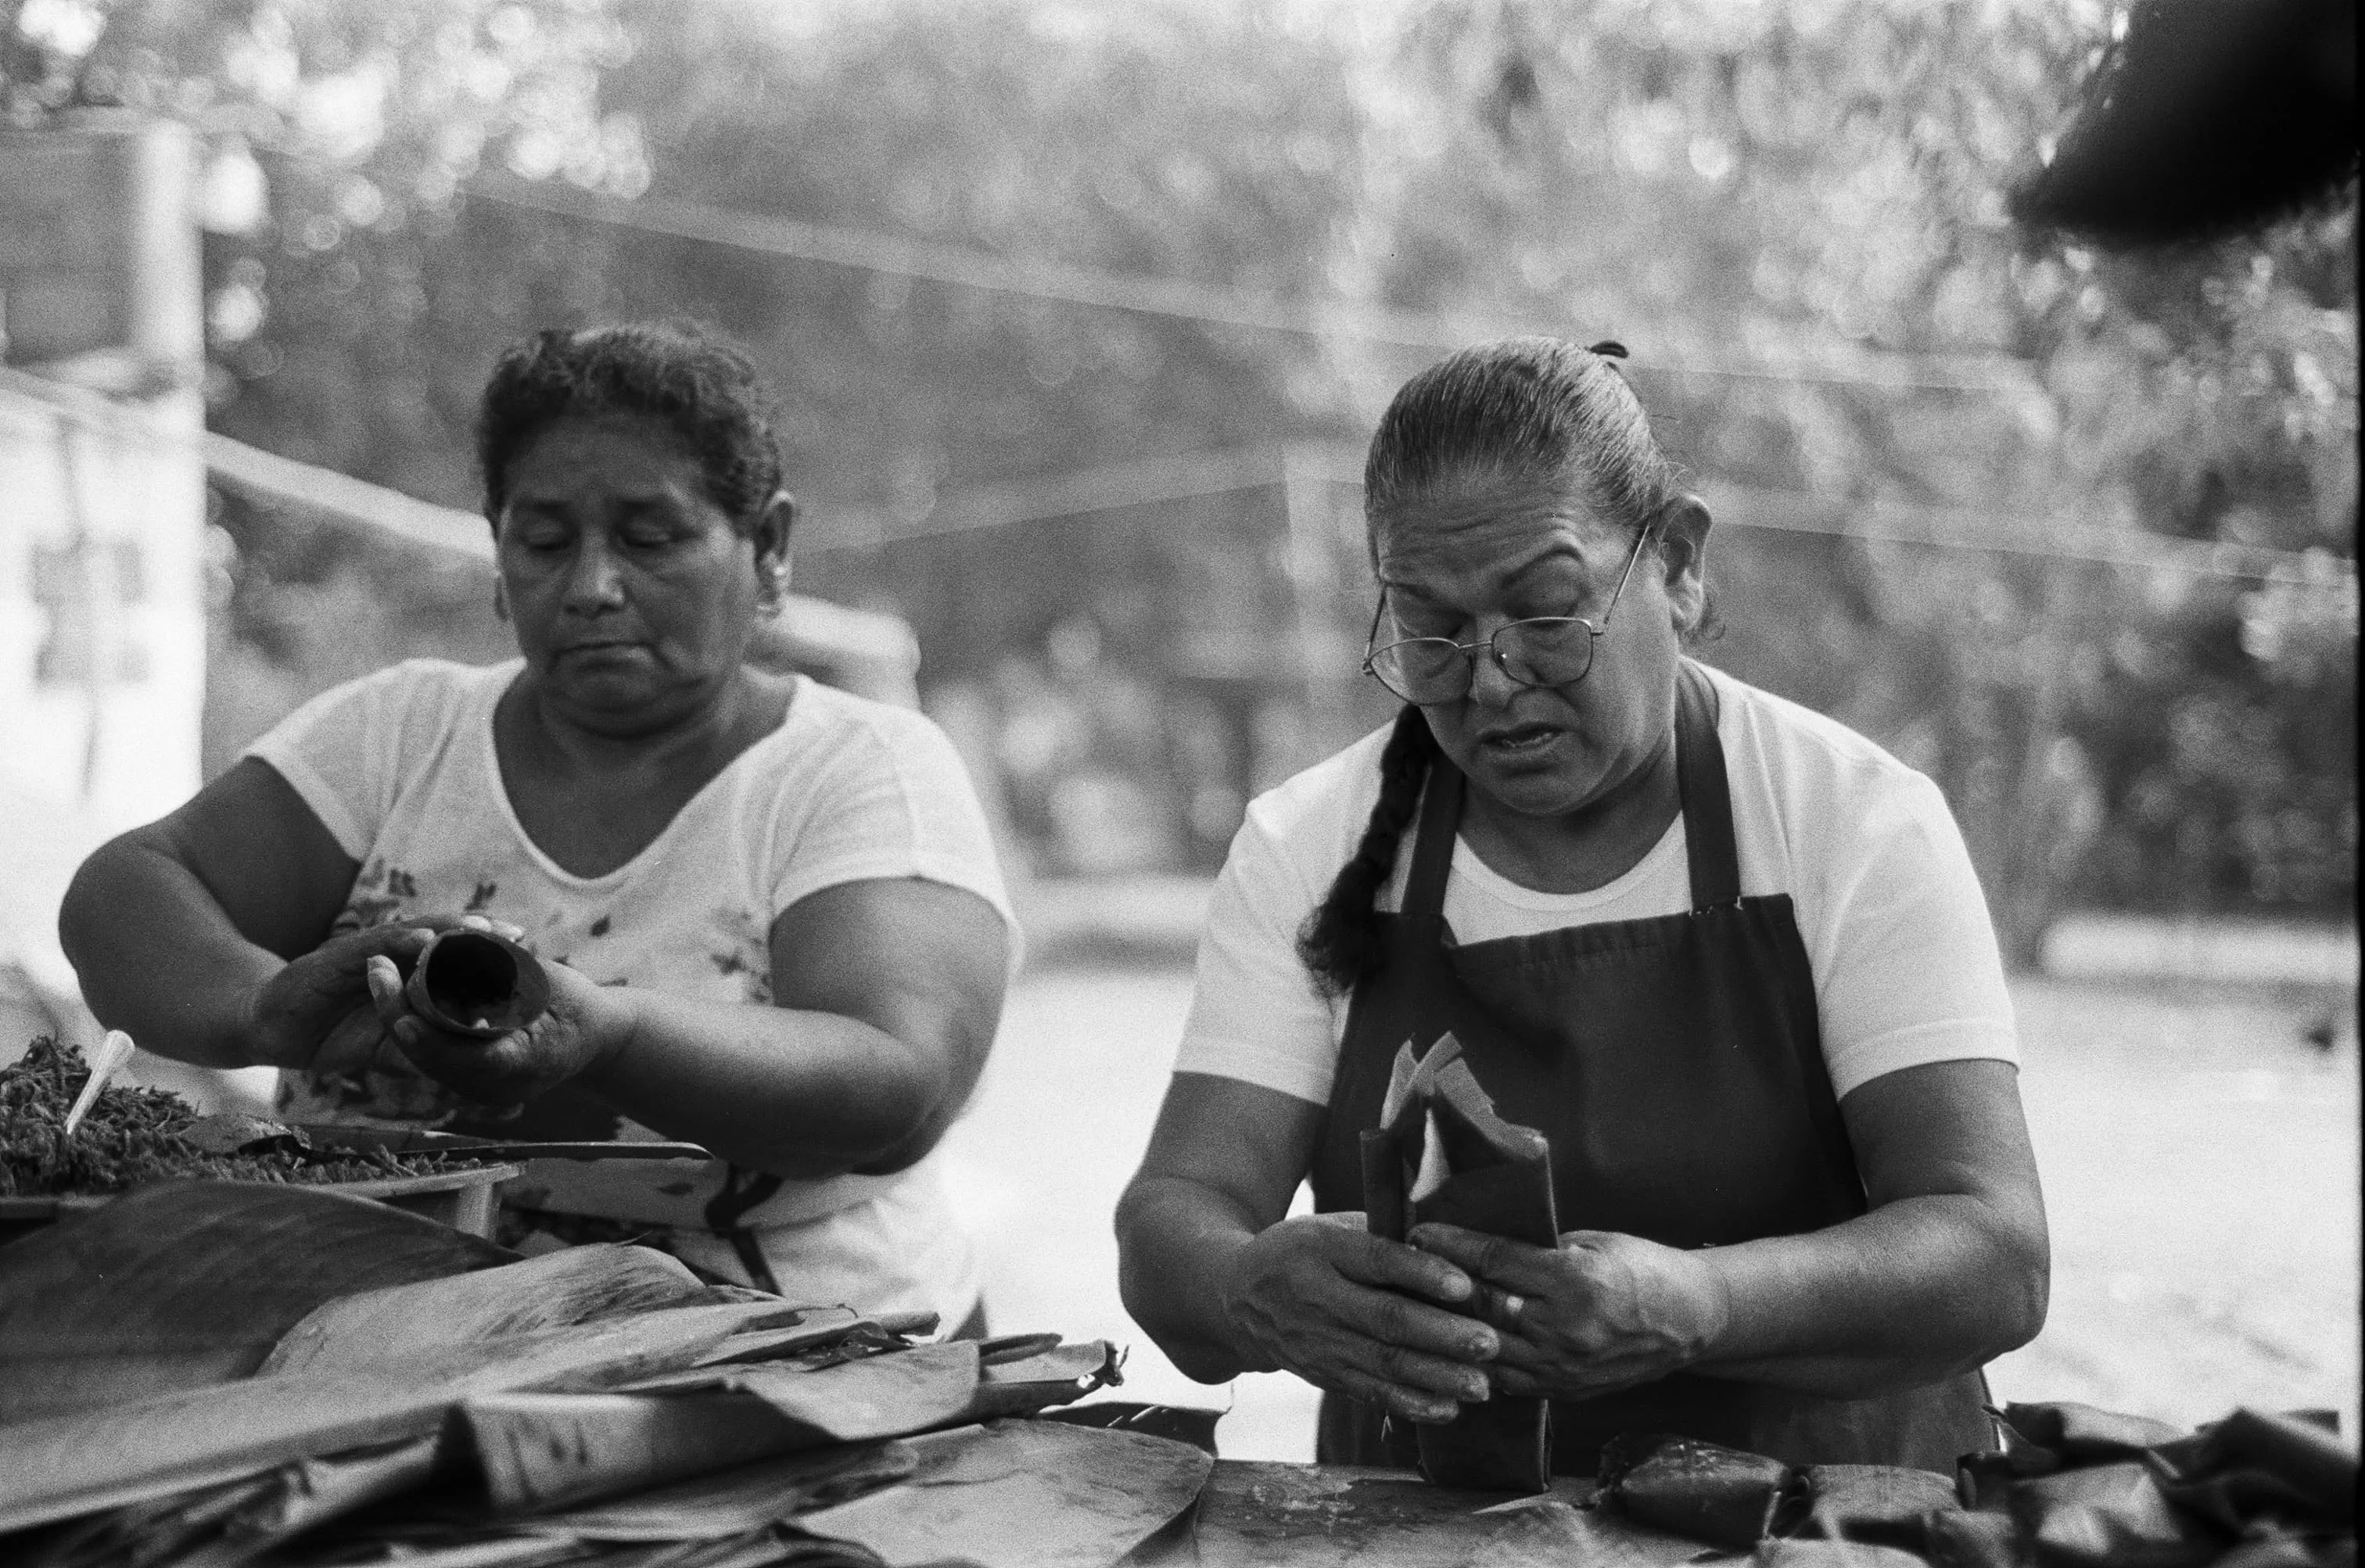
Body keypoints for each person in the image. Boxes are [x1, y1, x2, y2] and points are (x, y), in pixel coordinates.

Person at [1115, 338, 2048, 1474]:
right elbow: (1173, 1221)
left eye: (1547, 610)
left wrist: (1703, 1302)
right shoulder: (1306, 845)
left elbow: (1993, 1253)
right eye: (1433, 630)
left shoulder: (1851, 824)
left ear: (1681, 567)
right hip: (1431, 1540)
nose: (1493, 677)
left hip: (1825, 1524)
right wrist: (1244, 1287)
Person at [59, 321, 1013, 1332]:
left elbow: (897, 1087)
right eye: (546, 542)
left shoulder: (855, 772)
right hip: (378, 1344)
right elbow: (127, 894)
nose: (594, 587)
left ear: (768, 549)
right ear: (500, 554)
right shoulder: (401, 734)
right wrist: (264, 1008)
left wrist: (608, 1034)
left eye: (651, 539)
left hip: (803, 1368)